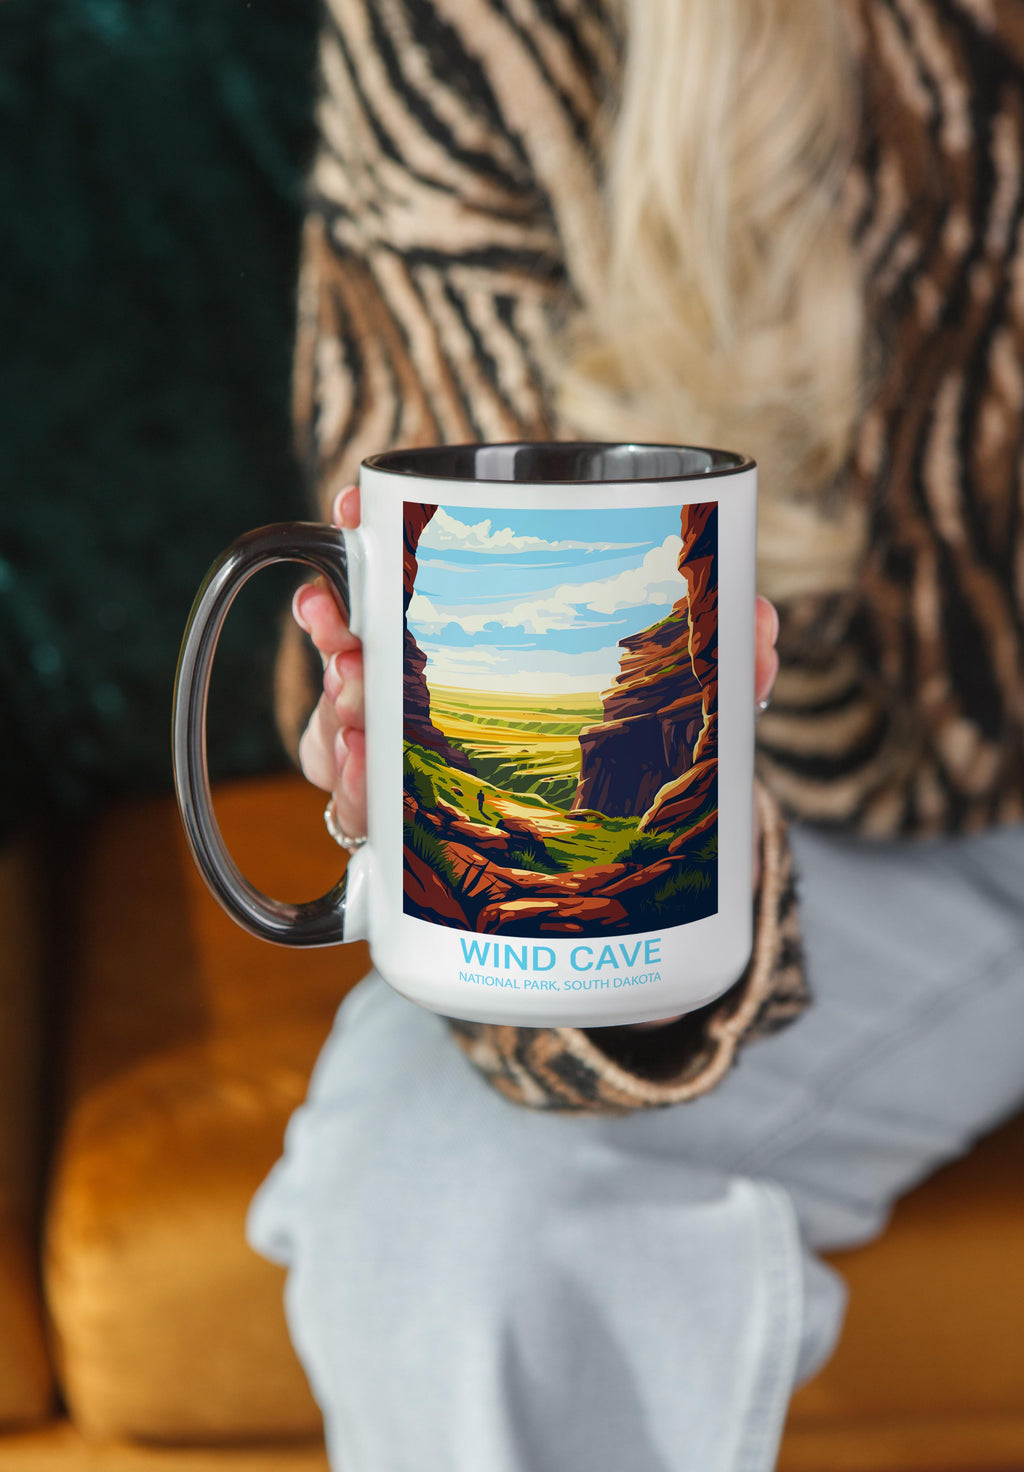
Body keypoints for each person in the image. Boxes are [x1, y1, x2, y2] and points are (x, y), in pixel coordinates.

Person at [248, 2, 1024, 1468]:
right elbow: (433, 518)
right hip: (857, 826)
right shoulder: (474, 32)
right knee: (448, 1199)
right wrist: (564, 852)